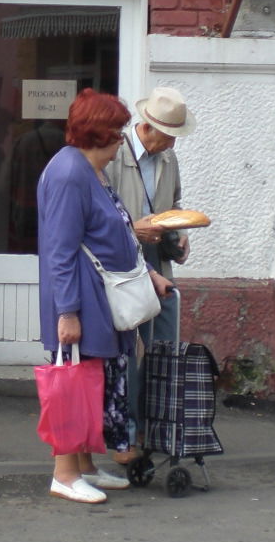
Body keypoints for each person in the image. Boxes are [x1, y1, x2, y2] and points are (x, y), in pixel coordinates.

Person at [38, 89, 171, 504]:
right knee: (74, 384)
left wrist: (149, 273)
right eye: (116, 131)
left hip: (101, 296)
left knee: (94, 382)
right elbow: (60, 249)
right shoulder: (69, 173)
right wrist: (68, 312)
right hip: (82, 297)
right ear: (99, 133)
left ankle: (85, 467)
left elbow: (113, 233)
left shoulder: (91, 171)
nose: (121, 140)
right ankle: (64, 473)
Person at [106, 85, 195, 429]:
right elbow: (102, 218)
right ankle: (130, 424)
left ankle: (157, 417)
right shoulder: (115, 155)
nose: (174, 142)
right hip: (122, 264)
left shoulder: (169, 158)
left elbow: (173, 205)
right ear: (148, 127)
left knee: (164, 343)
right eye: (170, 135)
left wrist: (181, 234)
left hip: (157, 259)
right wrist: (133, 233)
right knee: (127, 348)